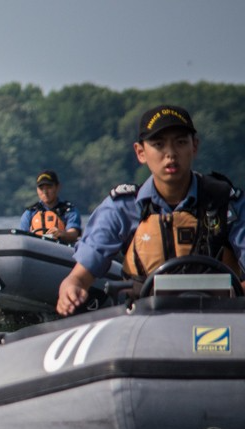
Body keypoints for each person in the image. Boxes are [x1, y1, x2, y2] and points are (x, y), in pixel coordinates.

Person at [57, 104, 245, 316]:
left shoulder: (228, 203)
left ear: (194, 146)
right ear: (141, 152)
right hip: (144, 324)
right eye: (158, 144)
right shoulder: (122, 207)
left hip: (219, 322)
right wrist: (72, 287)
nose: (171, 154)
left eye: (180, 142)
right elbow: (79, 277)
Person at [19, 170, 82, 244]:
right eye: (41, 188)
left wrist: (62, 234)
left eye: (49, 187)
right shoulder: (30, 212)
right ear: (37, 190)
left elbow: (73, 233)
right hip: (36, 249)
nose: (45, 192)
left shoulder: (69, 210)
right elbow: (22, 237)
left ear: (58, 187)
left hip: (61, 249)